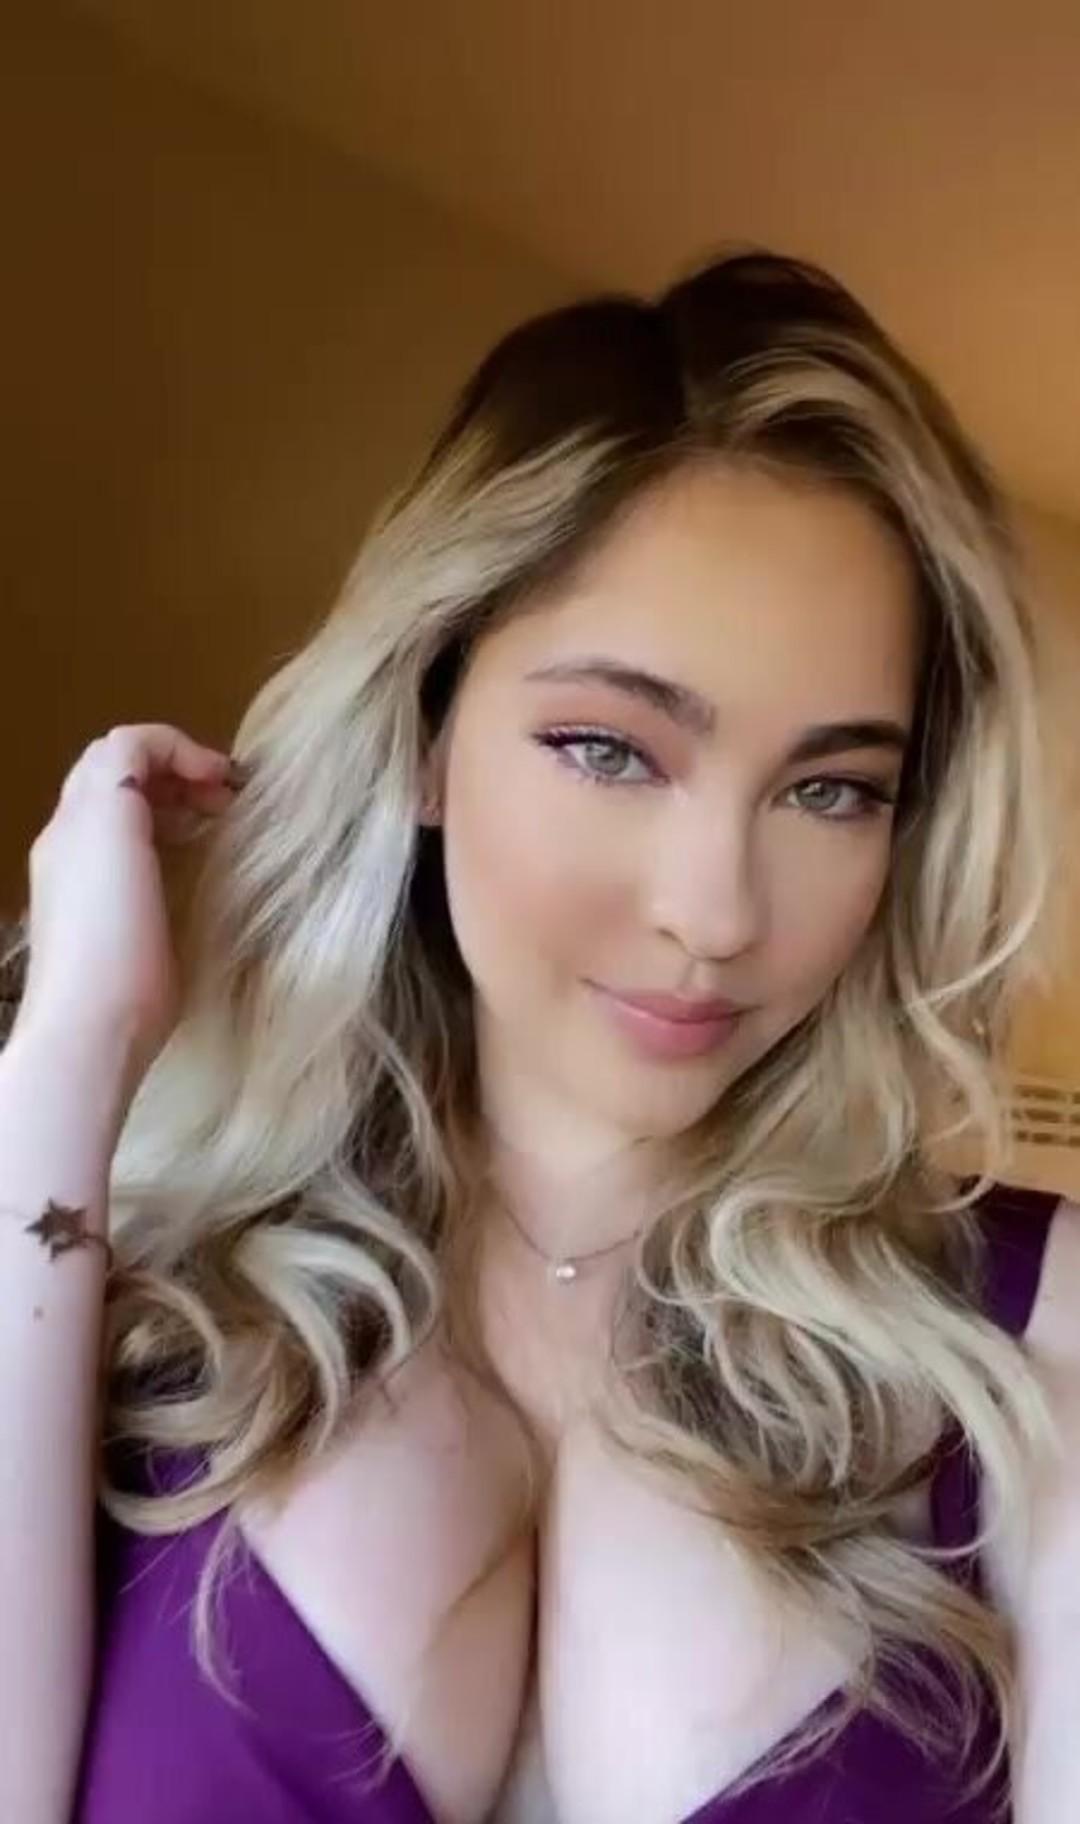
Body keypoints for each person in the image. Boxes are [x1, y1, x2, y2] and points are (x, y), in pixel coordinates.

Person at [1, 246, 1077, 1824]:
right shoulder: (116, 1289)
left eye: (831, 789)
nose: (716, 912)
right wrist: (66, 1061)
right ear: (427, 734)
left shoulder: (1030, 1340)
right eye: (609, 748)